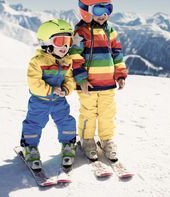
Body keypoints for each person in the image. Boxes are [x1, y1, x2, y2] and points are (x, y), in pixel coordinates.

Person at [70, 0, 128, 162]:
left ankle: (107, 140)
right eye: (98, 9)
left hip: (108, 84)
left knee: (107, 114)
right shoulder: (80, 32)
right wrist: (81, 79)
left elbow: (117, 54)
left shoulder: (110, 31)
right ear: (86, 11)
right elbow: (75, 56)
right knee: (88, 113)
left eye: (107, 9)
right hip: (88, 85)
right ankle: (87, 140)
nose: (104, 14)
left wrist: (120, 74)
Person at [20, 19, 77, 170]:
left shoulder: (67, 61)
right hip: (40, 101)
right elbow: (34, 83)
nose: (65, 46)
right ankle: (30, 148)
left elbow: (70, 79)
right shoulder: (37, 62)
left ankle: (68, 145)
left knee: (67, 121)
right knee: (33, 124)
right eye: (60, 41)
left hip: (59, 101)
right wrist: (51, 90)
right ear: (46, 42)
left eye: (68, 41)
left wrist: (65, 89)